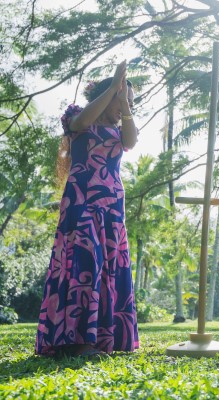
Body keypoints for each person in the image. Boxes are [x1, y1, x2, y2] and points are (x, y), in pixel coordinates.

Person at [36, 60, 139, 358]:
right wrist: (115, 86)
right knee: (85, 264)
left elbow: (130, 141)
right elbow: (81, 125)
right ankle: (80, 343)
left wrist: (124, 101)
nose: (124, 105)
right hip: (82, 200)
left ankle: (106, 340)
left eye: (130, 101)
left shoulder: (121, 128)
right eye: (121, 98)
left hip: (112, 204)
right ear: (105, 95)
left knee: (108, 265)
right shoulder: (78, 117)